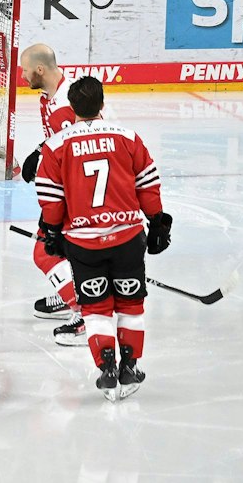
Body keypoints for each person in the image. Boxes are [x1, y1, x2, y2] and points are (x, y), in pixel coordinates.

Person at [34, 76, 168, 399]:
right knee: (131, 304)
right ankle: (130, 365)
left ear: (72, 108)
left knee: (95, 308)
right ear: (102, 104)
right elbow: (147, 183)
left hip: (84, 244)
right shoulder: (127, 137)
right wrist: (157, 222)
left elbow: (51, 196)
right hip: (127, 239)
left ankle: (106, 366)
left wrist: (52, 231)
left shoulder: (57, 145)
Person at [17, 42, 84, 346]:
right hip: (73, 188)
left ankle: (83, 310)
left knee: (45, 252)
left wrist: (60, 201)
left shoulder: (63, 106)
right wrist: (39, 151)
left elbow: (75, 154)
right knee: (64, 250)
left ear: (40, 70)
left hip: (75, 192)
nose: (22, 76)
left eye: (26, 70)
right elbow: (62, 141)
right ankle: (73, 293)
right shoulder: (55, 95)